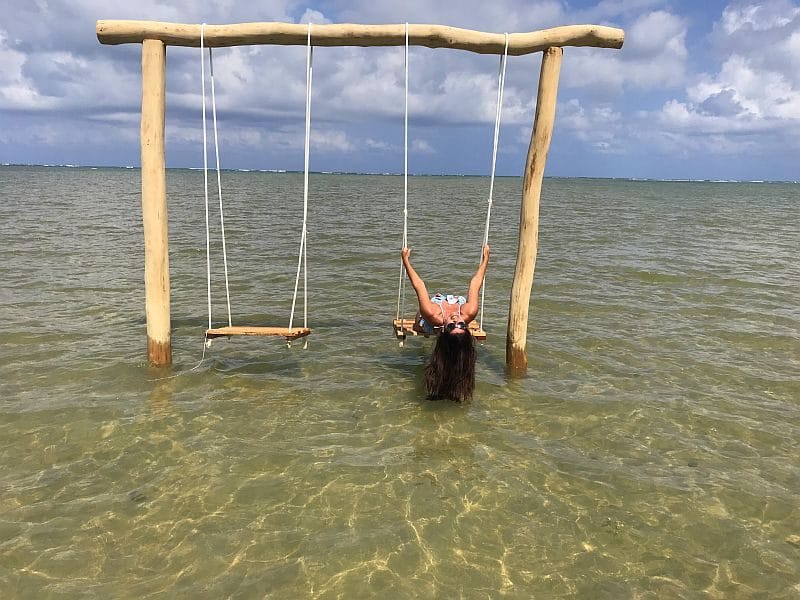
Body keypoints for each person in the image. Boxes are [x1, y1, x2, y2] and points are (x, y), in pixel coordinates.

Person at [400, 245, 490, 402]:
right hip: (451, 305)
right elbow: (475, 283)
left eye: (451, 326)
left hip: (433, 316)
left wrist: (405, 260)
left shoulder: (431, 312)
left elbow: (419, 285)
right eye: (461, 326)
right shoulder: (468, 312)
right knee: (429, 318)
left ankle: (419, 324)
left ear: (443, 329)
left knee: (421, 318)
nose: (456, 321)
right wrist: (485, 259)